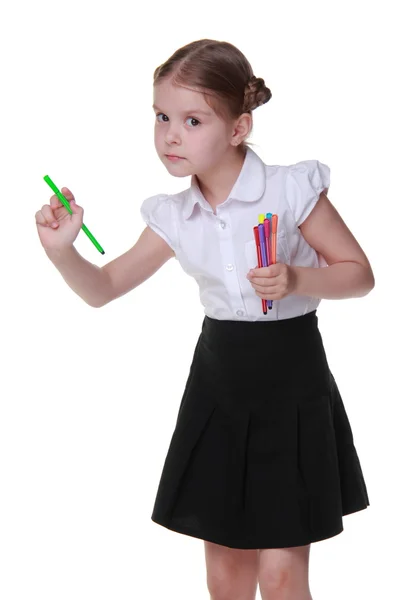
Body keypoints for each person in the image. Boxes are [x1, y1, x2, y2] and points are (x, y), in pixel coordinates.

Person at [35, 39, 374, 600]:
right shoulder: (174, 216)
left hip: (292, 381)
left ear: (239, 128)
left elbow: (359, 274)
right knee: (226, 575)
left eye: (192, 120)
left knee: (283, 574)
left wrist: (296, 278)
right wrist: (62, 251)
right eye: (162, 116)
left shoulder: (291, 189)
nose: (171, 134)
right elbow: (103, 288)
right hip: (220, 385)